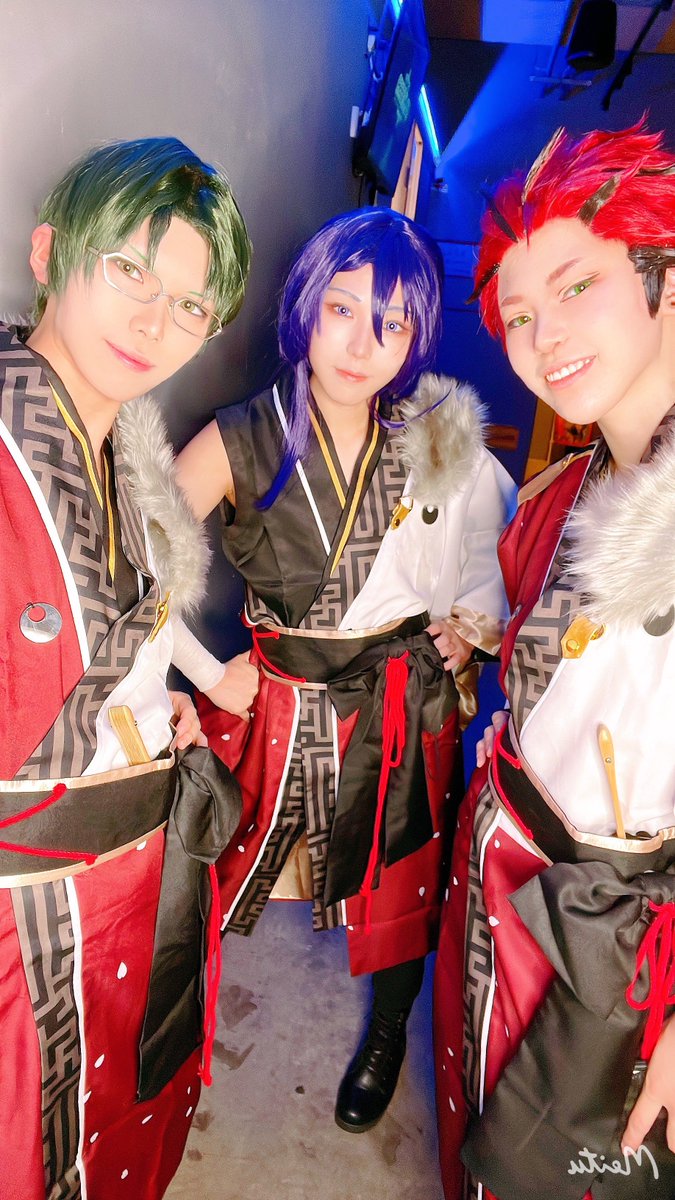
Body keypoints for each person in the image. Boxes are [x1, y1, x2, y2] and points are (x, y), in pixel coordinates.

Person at [175, 206, 514, 1134]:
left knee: (400, 880)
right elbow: (135, 562)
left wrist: (468, 627)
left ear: (415, 338)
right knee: (205, 869)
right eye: (342, 309)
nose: (363, 345)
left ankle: (386, 1032)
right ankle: (174, 1037)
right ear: (304, 309)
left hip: (400, 701)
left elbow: (492, 544)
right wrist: (204, 673)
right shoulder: (242, 437)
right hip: (278, 702)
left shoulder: (438, 435)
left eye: (392, 322)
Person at [0, 136, 253, 1200]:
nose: (156, 322)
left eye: (191, 305)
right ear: (49, 252)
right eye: (130, 272)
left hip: (134, 879)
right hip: (21, 923)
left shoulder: (132, 463)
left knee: (113, 1138)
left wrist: (160, 712)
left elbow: (118, 653)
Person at [433, 119, 675, 1200]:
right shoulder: (562, 492)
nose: (544, 336)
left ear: (664, 274)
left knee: (567, 1167)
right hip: (500, 864)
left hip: (615, 932)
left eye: (578, 286)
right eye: (521, 313)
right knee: (475, 1116)